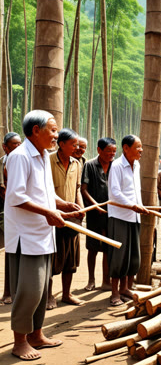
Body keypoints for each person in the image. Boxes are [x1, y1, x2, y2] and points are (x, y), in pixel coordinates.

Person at [5, 110, 80, 360]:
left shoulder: (42, 156)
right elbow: (16, 196)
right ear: (36, 131)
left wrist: (61, 204)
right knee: (29, 290)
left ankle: (36, 335)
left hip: (44, 233)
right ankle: (19, 342)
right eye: (53, 129)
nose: (56, 135)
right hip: (26, 237)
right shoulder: (19, 157)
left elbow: (45, 193)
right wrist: (49, 212)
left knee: (42, 290)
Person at [107, 135, 149, 306]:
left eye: (141, 146)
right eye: (137, 147)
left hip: (134, 215)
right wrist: (132, 205)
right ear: (126, 148)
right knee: (119, 255)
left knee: (133, 255)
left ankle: (126, 288)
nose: (141, 150)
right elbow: (115, 192)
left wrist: (138, 206)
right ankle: (115, 292)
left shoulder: (137, 165)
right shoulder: (116, 166)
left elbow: (135, 190)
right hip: (119, 216)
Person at [47, 128, 85, 309]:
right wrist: (63, 207)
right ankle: (48, 296)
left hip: (72, 218)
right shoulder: (48, 161)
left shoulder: (77, 164)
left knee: (71, 259)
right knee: (53, 259)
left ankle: (67, 294)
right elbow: (46, 192)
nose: (77, 148)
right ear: (61, 144)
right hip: (53, 217)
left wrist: (80, 207)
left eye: (77, 144)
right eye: (73, 144)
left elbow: (77, 189)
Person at [81, 137, 116, 291]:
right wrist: (94, 205)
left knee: (108, 247)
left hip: (112, 213)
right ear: (99, 150)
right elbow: (83, 189)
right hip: (94, 213)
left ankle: (106, 280)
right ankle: (91, 280)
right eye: (109, 151)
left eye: (114, 151)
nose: (112, 154)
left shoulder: (116, 166)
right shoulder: (89, 165)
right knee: (93, 247)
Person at [1, 132, 22, 304]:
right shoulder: (3, 163)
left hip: (18, 213)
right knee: (9, 251)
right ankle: (7, 291)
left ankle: (14, 291)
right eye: (14, 144)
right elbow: (4, 191)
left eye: (19, 143)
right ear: (5, 147)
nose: (18, 146)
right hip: (5, 212)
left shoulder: (22, 161)